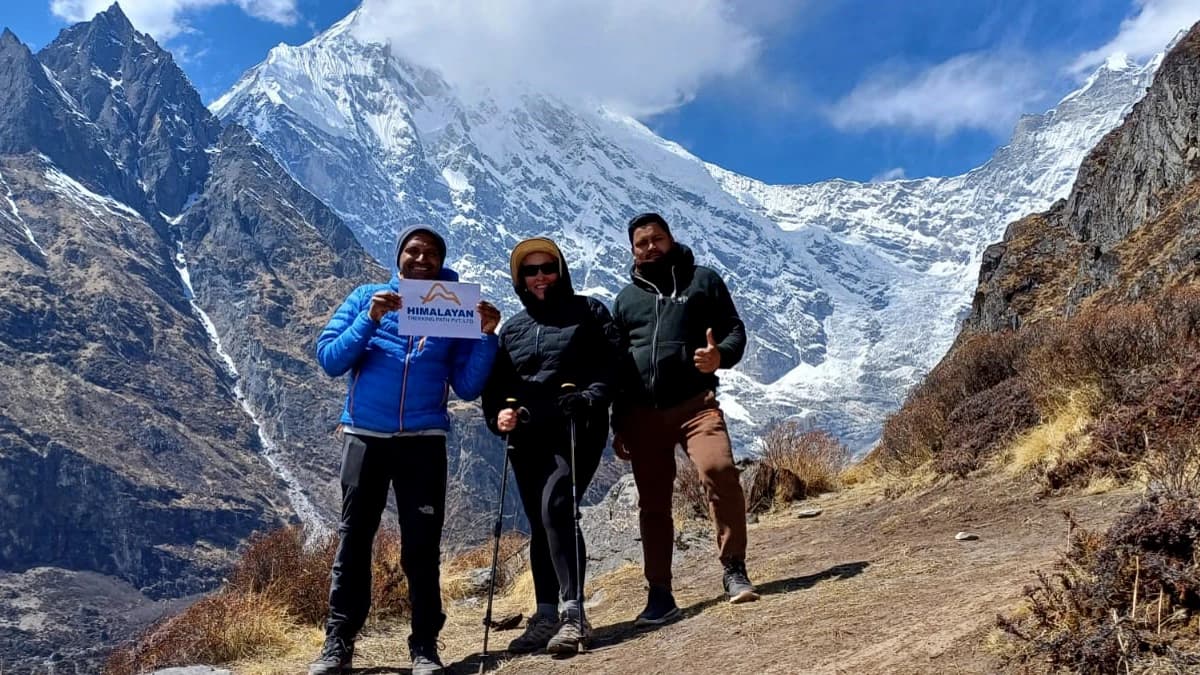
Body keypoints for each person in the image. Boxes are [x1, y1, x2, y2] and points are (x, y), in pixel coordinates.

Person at [309, 225, 501, 675]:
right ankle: (338, 643)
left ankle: (425, 647)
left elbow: (468, 386)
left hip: (423, 443)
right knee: (353, 542)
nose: (421, 259)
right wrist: (369, 319)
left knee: (421, 548)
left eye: (431, 254)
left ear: (441, 261)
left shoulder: (455, 308)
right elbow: (330, 359)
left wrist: (487, 336)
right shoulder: (367, 297)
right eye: (413, 252)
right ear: (398, 258)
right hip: (365, 437)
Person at [610, 212, 758, 627]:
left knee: (719, 469)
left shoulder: (703, 281)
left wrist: (720, 356)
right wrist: (618, 421)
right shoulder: (625, 301)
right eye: (642, 243)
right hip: (642, 415)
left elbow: (734, 331)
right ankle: (660, 594)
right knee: (653, 504)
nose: (651, 246)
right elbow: (619, 367)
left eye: (658, 238)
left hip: (696, 404)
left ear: (671, 239)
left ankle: (734, 568)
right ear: (633, 251)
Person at [482, 237, 618, 655]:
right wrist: (496, 418)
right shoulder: (514, 330)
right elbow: (497, 386)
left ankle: (573, 614)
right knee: (540, 521)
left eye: (547, 268)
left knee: (557, 507)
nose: (540, 277)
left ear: (561, 270)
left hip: (576, 429)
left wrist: (590, 398)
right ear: (519, 279)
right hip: (526, 436)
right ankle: (545, 616)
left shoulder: (589, 311)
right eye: (530, 271)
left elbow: (613, 364)